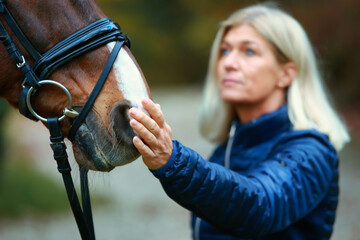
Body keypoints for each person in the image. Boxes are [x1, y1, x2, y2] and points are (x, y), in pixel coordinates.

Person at [128, 3, 350, 240]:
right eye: (225, 51)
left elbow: (260, 206)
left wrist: (174, 161)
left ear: (286, 73)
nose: (229, 63)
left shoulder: (311, 149)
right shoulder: (230, 145)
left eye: (249, 51)